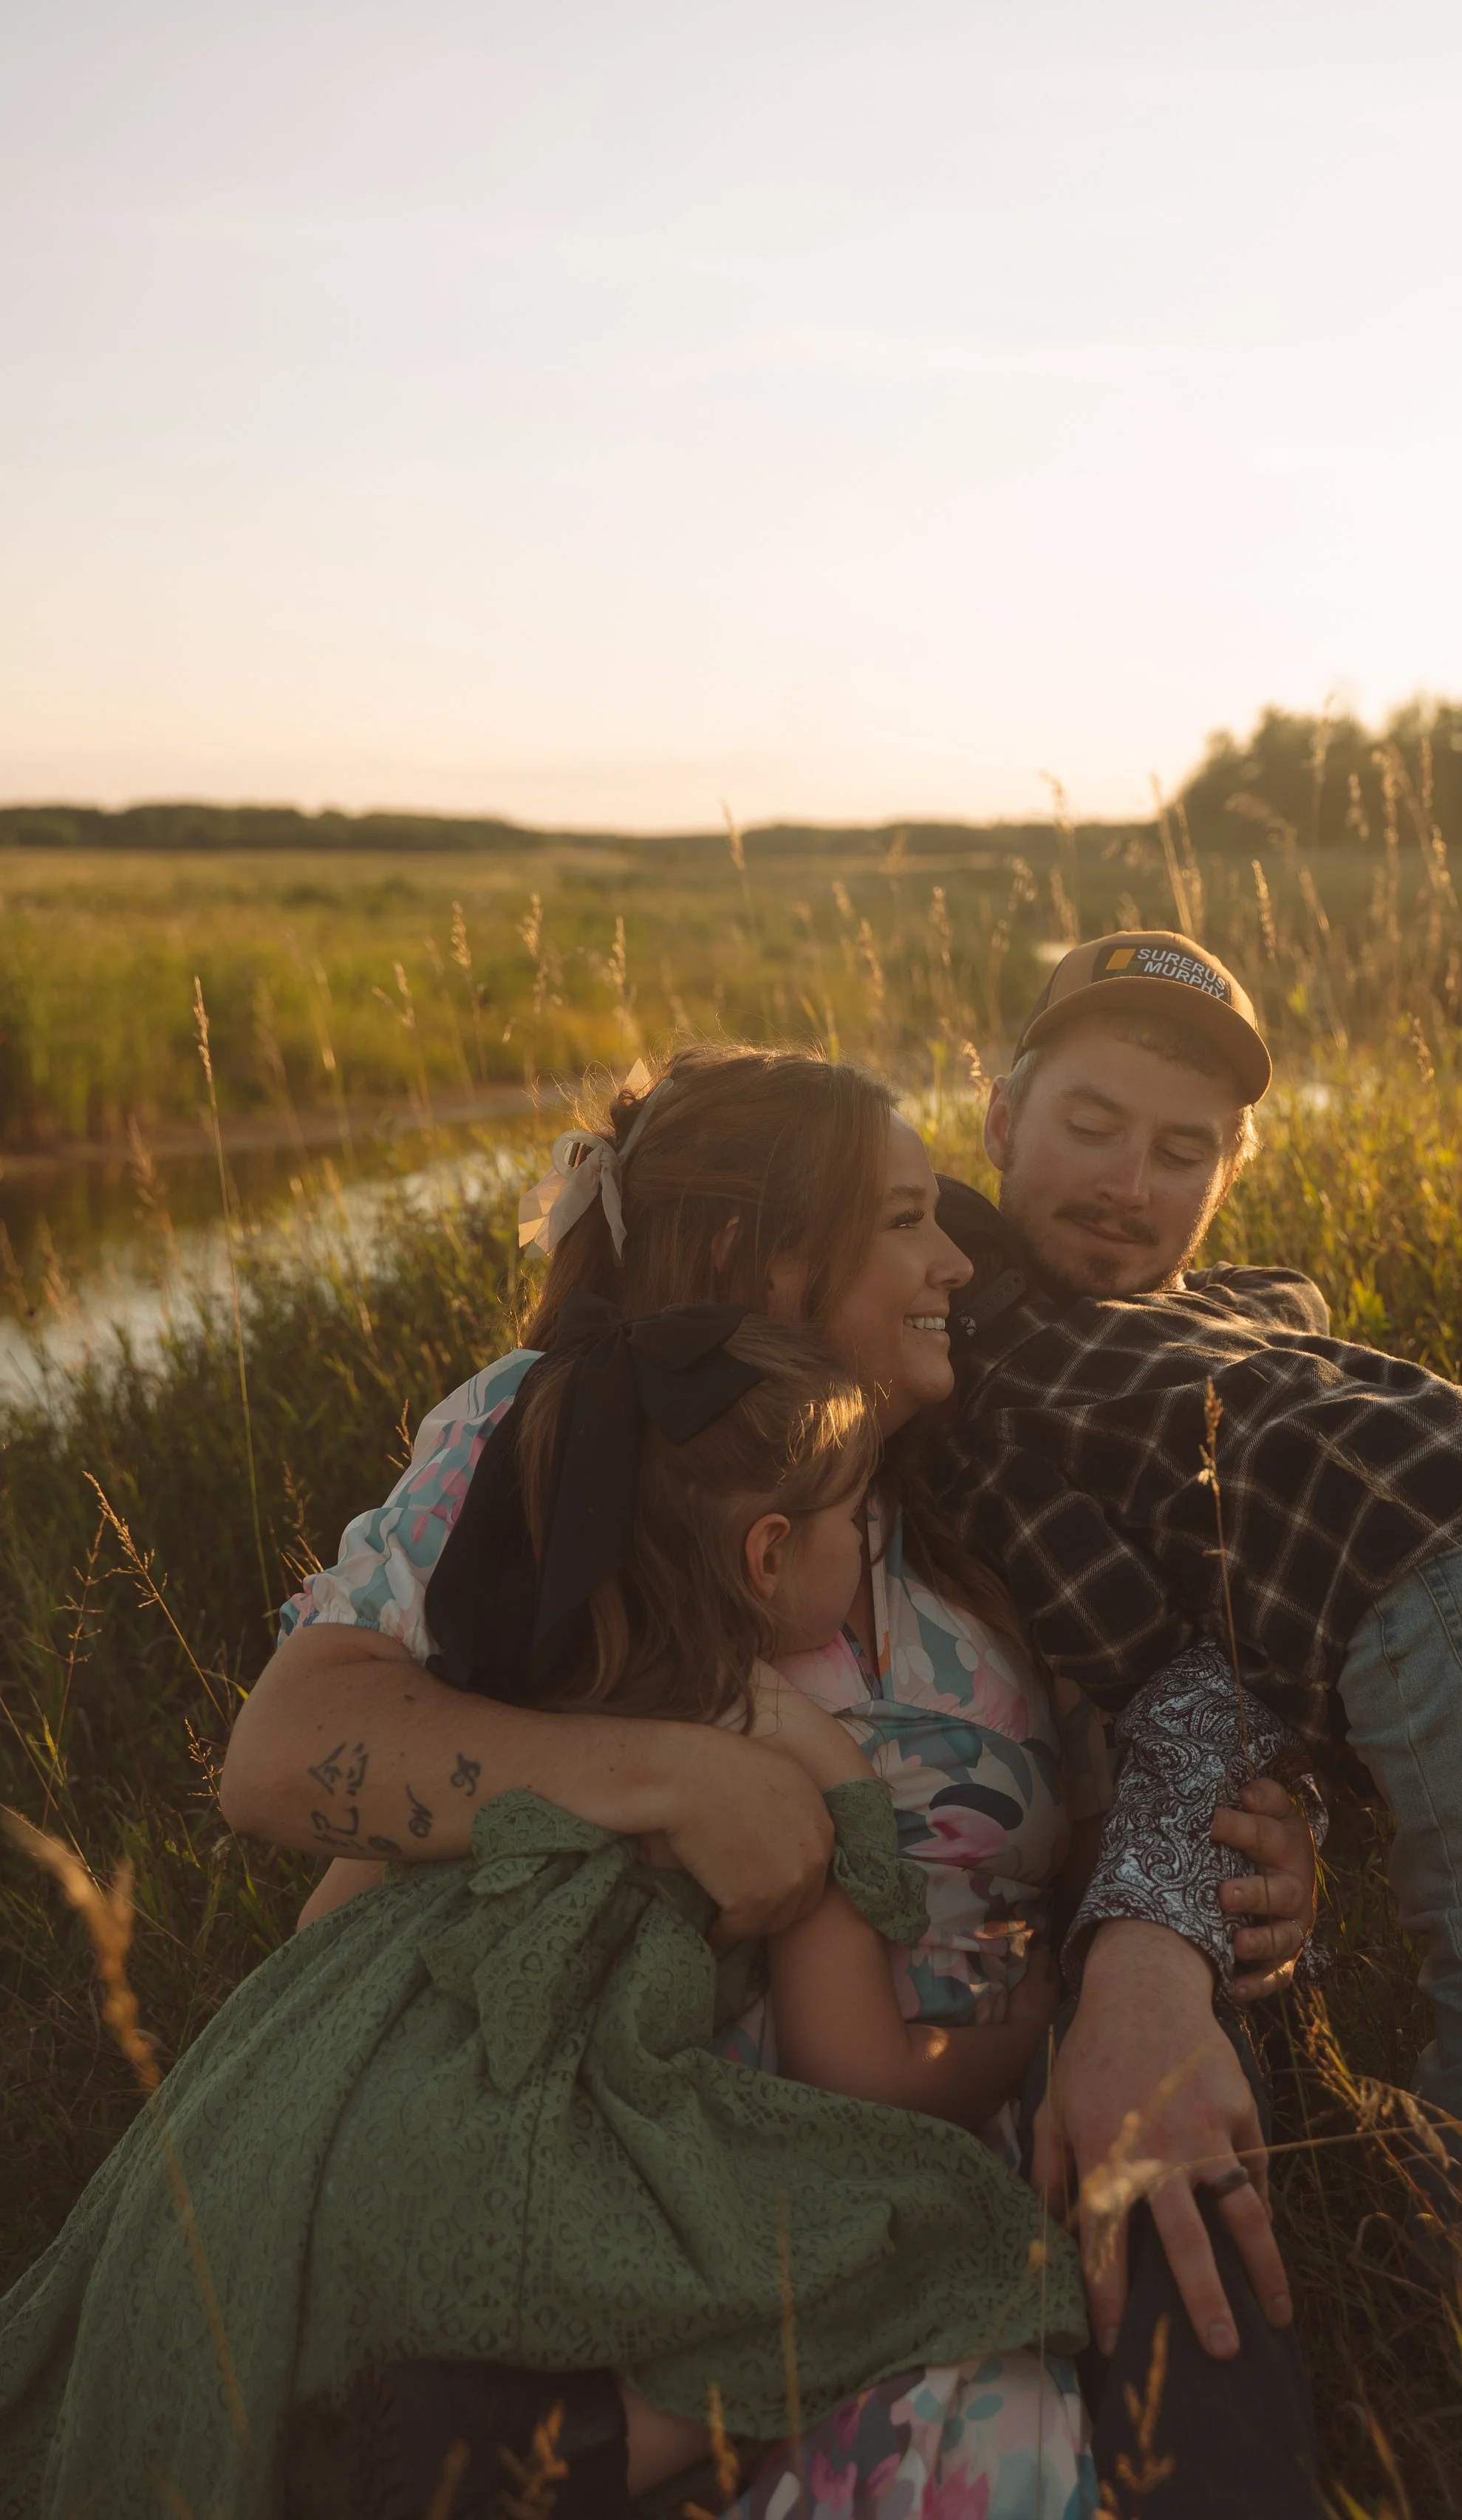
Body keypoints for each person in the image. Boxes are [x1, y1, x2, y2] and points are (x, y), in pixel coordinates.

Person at [220, 1043, 1325, 2514]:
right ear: (763, 1258)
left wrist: (1195, 1897)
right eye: (905, 1221)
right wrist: (682, 1776)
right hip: (686, 2116)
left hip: (976, 2090)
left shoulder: (965, 1459)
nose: (952, 1261)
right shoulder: (566, 1423)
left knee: (1129, 2260)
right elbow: (285, 1755)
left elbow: (1167, 1710)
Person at [0, 1309, 1092, 2520]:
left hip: (332, 2109)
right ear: (764, 1556)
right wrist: (1029, 2038)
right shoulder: (784, 1768)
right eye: (858, 1518)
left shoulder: (525, 1701)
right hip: (533, 2152)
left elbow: (330, 1928)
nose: (869, 1539)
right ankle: (558, 2442)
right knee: (917, 2239)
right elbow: (859, 2076)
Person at [932, 928, 1462, 2283]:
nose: (1127, 1184)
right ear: (998, 1112)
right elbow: (1295, 1296)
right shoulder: (1186, 1322)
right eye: (1090, 1126)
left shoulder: (1012, 1374)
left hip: (1434, 1573)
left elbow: (1133, 1648)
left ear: (1228, 1174)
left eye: (1184, 1152)